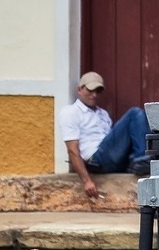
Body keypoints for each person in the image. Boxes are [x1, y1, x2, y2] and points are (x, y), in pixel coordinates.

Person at [60, 72, 150, 201]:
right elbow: (72, 150)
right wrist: (86, 181)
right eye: (90, 90)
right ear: (79, 90)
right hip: (96, 159)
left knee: (142, 118)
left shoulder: (103, 114)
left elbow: (114, 143)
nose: (94, 95)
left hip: (110, 158)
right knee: (134, 113)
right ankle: (141, 160)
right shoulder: (70, 112)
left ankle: (141, 160)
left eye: (97, 91)